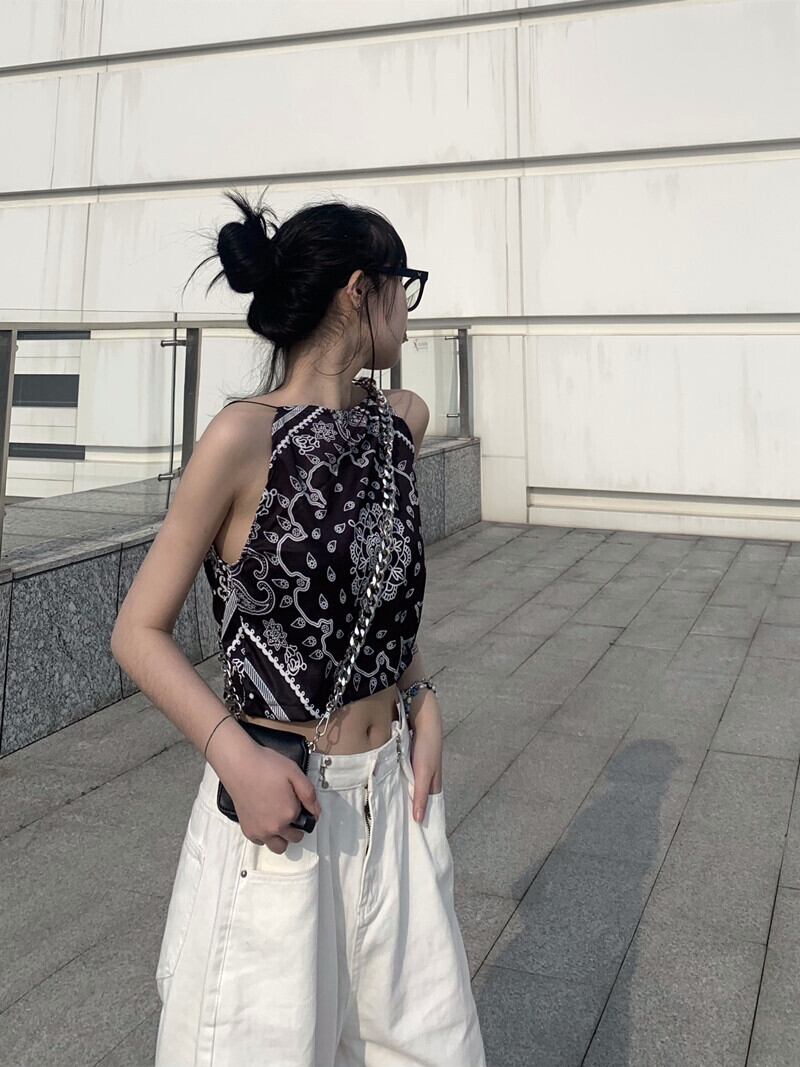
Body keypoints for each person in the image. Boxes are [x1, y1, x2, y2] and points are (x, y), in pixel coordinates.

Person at [110, 190, 487, 1067]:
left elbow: (376, 591)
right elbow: (137, 629)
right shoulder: (243, 438)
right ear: (360, 290)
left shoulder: (398, 427)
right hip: (283, 807)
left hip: (392, 796)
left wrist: (421, 694)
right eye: (402, 285)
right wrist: (233, 759)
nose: (410, 310)